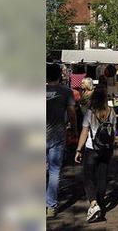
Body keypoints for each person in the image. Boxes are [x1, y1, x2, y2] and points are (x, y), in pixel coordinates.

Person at [74, 87, 115, 223]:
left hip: (92, 148)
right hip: (106, 149)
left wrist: (78, 149)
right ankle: (100, 202)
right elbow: (113, 132)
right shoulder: (111, 112)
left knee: (88, 176)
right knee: (102, 176)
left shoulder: (90, 113)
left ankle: (93, 203)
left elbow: (84, 133)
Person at [46, 63, 77, 218]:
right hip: (57, 135)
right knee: (54, 170)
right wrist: (75, 130)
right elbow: (72, 114)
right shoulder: (66, 92)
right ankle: (51, 206)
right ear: (60, 75)